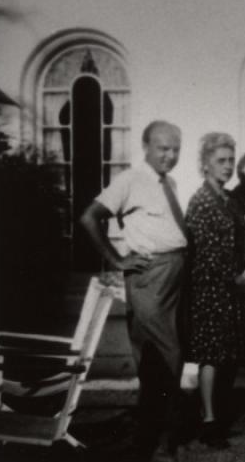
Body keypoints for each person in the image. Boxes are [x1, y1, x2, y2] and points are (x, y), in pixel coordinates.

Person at [79, 120, 186, 462]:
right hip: (149, 278)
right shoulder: (130, 179)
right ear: (146, 146)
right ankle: (160, 442)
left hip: (174, 277)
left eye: (175, 149)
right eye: (162, 148)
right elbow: (89, 218)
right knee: (166, 358)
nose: (169, 155)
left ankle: (153, 434)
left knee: (162, 359)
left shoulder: (168, 182)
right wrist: (115, 260)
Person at [184, 133, 245, 448]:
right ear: (206, 164)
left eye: (230, 161)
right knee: (210, 355)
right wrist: (235, 278)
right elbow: (205, 254)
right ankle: (208, 420)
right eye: (221, 161)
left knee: (223, 354)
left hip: (226, 287)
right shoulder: (202, 200)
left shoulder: (224, 198)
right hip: (209, 286)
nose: (227, 167)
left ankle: (215, 416)